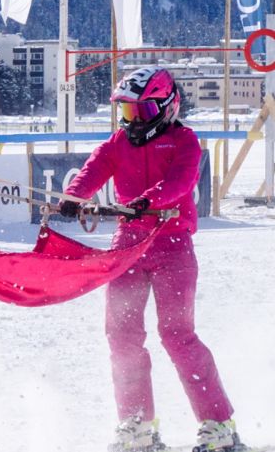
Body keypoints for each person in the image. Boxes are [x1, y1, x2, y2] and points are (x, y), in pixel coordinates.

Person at [58, 67, 240, 452]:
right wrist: (75, 195)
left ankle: (218, 424)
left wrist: (148, 200)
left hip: (171, 246)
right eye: (126, 113)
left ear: (166, 107)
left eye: (141, 112)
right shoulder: (118, 143)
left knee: (177, 335)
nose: (133, 122)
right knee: (122, 336)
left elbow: (181, 181)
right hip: (128, 248)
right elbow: (93, 168)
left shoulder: (184, 140)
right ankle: (137, 424)